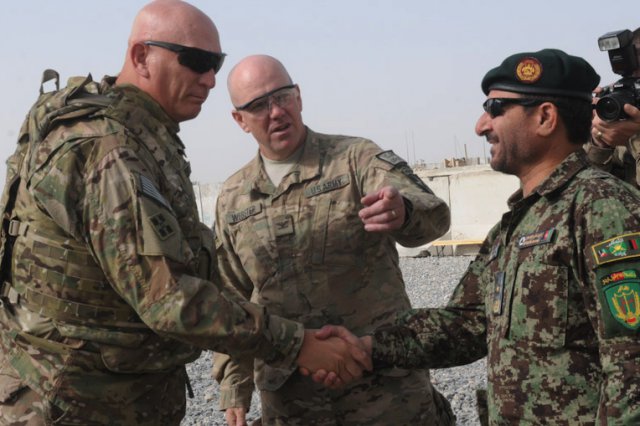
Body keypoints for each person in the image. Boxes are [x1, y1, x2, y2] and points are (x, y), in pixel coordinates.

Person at [0, 2, 370, 425]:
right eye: (196, 62)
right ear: (141, 56)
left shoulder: (141, 134)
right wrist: (298, 344)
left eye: (216, 63)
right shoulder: (109, 149)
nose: (210, 79)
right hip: (76, 403)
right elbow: (170, 298)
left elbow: (191, 268)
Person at [316, 49, 640, 424]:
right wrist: (366, 348)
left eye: (496, 108)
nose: (480, 125)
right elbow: (466, 323)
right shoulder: (519, 222)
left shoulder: (603, 208)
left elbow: (631, 367)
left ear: (546, 117)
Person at [211, 54, 454, 426]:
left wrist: (404, 211)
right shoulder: (233, 198)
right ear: (239, 120)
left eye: (282, 96)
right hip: (293, 397)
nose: (276, 111)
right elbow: (231, 299)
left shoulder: (355, 160)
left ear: (299, 97)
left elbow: (434, 217)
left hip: (384, 388)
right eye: (259, 105)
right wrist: (235, 387)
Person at [585, 27, 640, 187]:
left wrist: (635, 138)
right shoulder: (618, 116)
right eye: (630, 78)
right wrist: (600, 143)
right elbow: (589, 190)